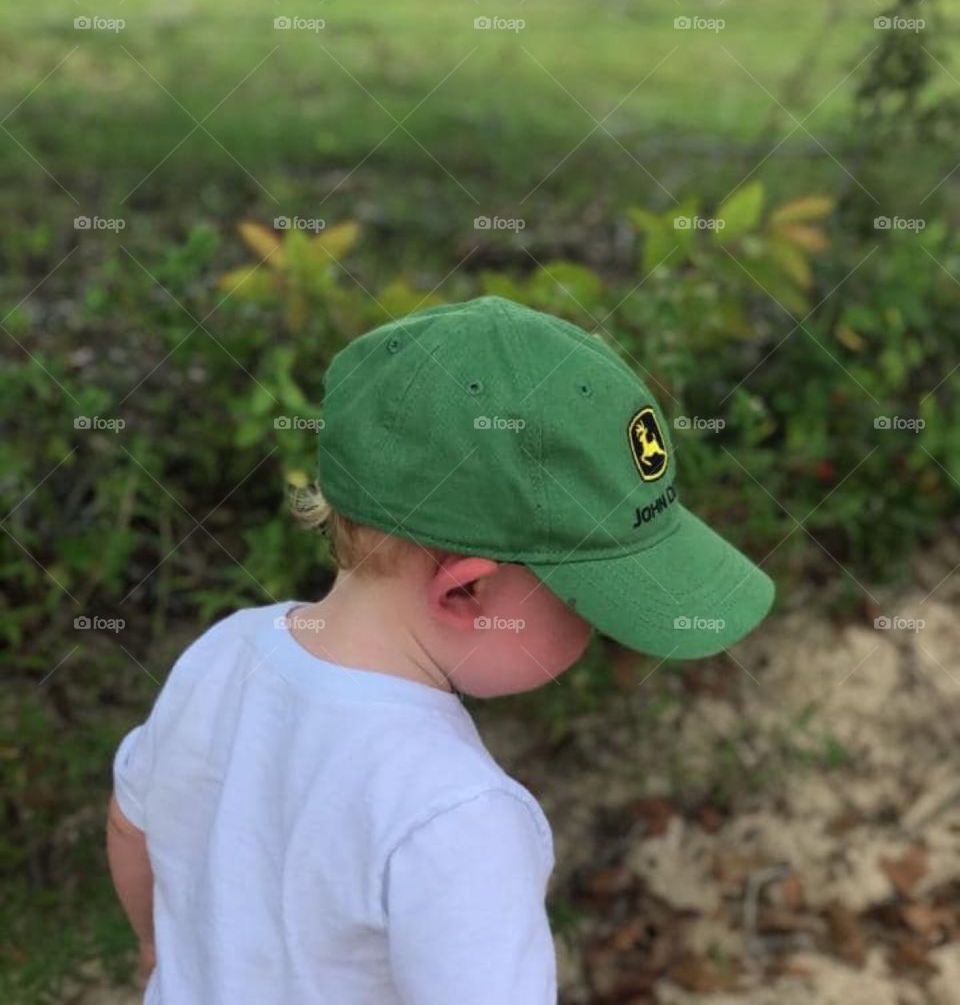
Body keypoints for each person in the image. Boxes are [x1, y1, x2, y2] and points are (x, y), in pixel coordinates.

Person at [108, 295, 774, 1004]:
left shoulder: (222, 653)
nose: (603, 635)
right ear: (464, 594)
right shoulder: (458, 814)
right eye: (587, 603)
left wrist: (158, 950)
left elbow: (131, 825)